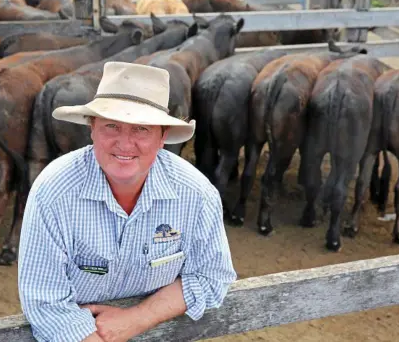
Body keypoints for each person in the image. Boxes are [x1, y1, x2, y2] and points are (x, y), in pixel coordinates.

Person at [18, 61, 237, 342]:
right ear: (92, 129)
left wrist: (136, 319)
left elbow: (212, 276)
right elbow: (43, 300)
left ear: (162, 137)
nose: (124, 143)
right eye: (112, 126)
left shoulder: (196, 194)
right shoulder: (54, 192)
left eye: (141, 129)